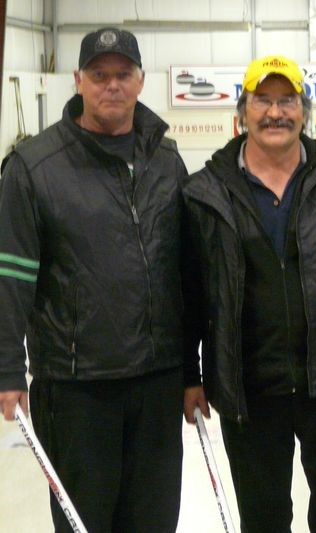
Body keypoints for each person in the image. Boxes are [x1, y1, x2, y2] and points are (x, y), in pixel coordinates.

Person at [181, 55, 316, 532]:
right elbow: (190, 295)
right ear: (242, 112)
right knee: (263, 519)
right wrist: (189, 374)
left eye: (287, 101)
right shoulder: (205, 193)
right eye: (263, 101)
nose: (275, 113)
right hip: (248, 390)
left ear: (305, 111)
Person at [0, 27, 188, 531]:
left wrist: (193, 369)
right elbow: (10, 275)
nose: (112, 86)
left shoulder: (166, 162)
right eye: (99, 75)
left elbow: (187, 272)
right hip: (77, 389)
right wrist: (6, 369)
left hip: (157, 382)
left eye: (122, 74)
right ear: (78, 81)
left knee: (153, 522)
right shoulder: (34, 167)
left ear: (141, 81)